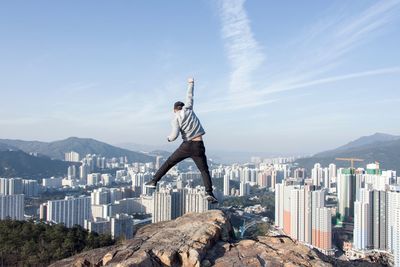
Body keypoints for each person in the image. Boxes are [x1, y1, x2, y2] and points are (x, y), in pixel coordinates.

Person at [145, 78, 218, 203]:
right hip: (199, 145)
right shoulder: (189, 108)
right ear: (183, 107)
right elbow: (190, 95)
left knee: (169, 162)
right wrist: (191, 83)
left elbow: (174, 136)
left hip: (186, 145)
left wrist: (168, 138)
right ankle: (209, 192)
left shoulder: (175, 118)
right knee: (204, 170)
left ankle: (153, 181)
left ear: (174, 109)